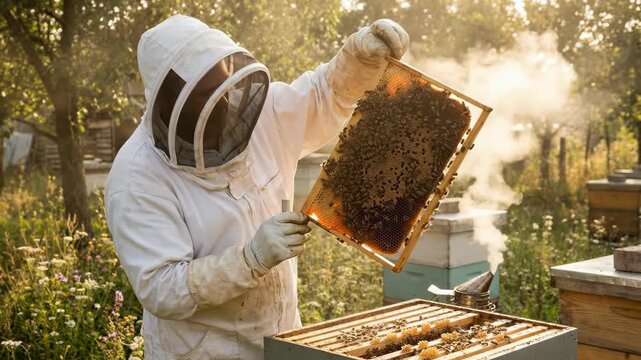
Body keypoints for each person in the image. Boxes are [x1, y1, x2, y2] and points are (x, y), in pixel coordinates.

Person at [105, 14, 409, 360]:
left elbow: (326, 94)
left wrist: (357, 61)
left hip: (282, 339)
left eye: (221, 85)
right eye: (204, 95)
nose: (221, 106)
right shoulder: (137, 177)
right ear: (170, 101)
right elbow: (161, 287)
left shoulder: (261, 114)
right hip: (204, 353)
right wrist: (249, 259)